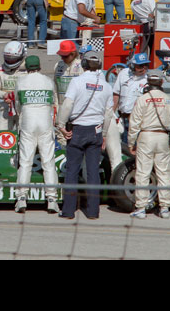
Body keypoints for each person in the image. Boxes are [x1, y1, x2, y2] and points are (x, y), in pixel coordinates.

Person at [56, 50, 114, 219]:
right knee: (93, 172)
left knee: (72, 171)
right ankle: (93, 211)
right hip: (95, 130)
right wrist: (103, 133)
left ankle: (68, 211)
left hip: (78, 129)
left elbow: (67, 105)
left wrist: (60, 124)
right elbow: (109, 113)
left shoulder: (77, 81)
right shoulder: (107, 86)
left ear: (83, 64)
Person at [127, 69, 170, 219]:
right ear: (162, 82)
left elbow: (134, 124)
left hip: (146, 136)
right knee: (163, 172)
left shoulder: (142, 99)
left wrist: (131, 142)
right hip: (163, 137)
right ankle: (164, 207)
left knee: (143, 172)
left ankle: (141, 207)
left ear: (148, 82)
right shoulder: (169, 100)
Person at [14, 55, 60, 214]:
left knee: (25, 161)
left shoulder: (21, 81)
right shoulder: (48, 81)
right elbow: (55, 103)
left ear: (26, 68)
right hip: (45, 121)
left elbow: (17, 105)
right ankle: (52, 199)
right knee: (48, 161)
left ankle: (21, 198)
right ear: (39, 66)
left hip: (28, 121)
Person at [112, 52, 150, 144]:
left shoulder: (147, 79)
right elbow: (116, 93)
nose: (144, 68)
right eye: (141, 66)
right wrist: (112, 113)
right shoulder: (124, 74)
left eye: (146, 65)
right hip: (123, 117)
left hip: (138, 120)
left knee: (136, 146)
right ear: (133, 66)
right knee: (123, 145)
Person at [0, 40, 27, 131]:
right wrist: (4, 95)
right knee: (1, 134)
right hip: (6, 109)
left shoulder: (28, 70)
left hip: (24, 110)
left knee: (24, 137)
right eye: (8, 58)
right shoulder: (0, 69)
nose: (10, 61)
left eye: (13, 59)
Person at [53, 40, 83, 147]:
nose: (62, 58)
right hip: (61, 107)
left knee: (75, 139)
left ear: (73, 54)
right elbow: (55, 87)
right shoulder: (58, 65)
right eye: (61, 55)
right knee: (61, 137)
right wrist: (55, 106)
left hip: (76, 110)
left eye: (65, 56)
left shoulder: (81, 66)